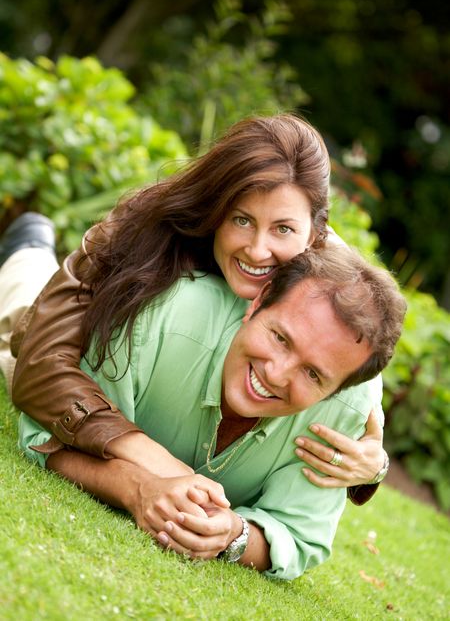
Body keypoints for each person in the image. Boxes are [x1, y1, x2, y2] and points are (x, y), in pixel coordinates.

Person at [9, 115, 386, 503]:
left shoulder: (329, 285)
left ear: (315, 232)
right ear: (216, 206)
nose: (258, 250)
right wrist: (156, 460)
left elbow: (356, 383)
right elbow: (38, 364)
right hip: (73, 351)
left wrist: (374, 463)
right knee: (15, 312)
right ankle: (30, 245)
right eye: (242, 219)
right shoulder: (140, 227)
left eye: (283, 230)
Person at [14, 240, 406, 580]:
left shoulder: (346, 412)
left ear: (337, 389)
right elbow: (45, 432)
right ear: (257, 303)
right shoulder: (159, 316)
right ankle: (29, 245)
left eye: (313, 374)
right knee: (14, 312)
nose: (276, 374)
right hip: (52, 333)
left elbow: (298, 536)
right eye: (280, 338)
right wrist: (137, 489)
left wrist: (234, 534)